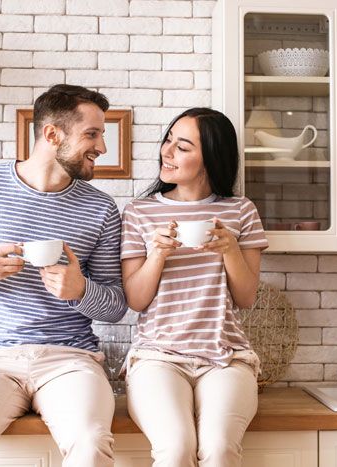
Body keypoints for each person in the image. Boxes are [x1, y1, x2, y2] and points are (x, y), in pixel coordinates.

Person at [0, 84, 127, 467]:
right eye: (92, 134)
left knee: (90, 442)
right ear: (52, 134)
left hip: (71, 359)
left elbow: (116, 305)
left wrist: (80, 289)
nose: (101, 147)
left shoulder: (101, 208)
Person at [120, 107, 268, 467]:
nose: (166, 152)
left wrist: (230, 248)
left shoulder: (240, 211)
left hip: (226, 358)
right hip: (157, 356)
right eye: (168, 141)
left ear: (210, 158)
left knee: (218, 449)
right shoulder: (139, 212)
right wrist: (156, 253)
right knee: (174, 449)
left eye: (182, 147)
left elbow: (246, 298)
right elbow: (137, 300)